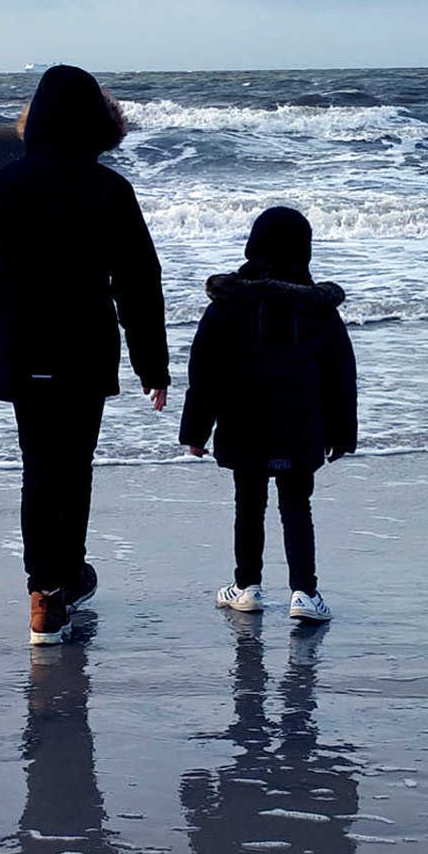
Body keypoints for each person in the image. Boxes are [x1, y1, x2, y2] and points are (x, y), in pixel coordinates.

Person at [0, 64, 169, 645]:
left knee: (38, 472)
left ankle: (45, 595)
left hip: (21, 356)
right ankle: (65, 581)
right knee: (72, 470)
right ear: (100, 124)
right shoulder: (109, 190)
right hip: (83, 354)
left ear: (35, 121)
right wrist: (154, 368)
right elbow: (139, 285)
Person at [177, 205, 357, 622]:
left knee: (248, 502)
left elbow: (204, 370)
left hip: (244, 423)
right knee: (297, 504)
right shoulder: (319, 309)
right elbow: (341, 375)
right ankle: (305, 593)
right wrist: (342, 432)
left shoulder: (228, 304)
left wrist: (196, 431)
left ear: (252, 247)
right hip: (302, 424)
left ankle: (247, 587)